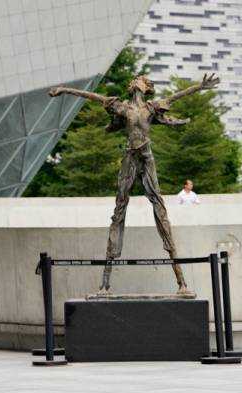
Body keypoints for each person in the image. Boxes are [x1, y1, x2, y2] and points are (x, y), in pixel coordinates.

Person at [49, 73, 220, 295]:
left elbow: (177, 96)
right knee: (119, 210)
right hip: (129, 157)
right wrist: (64, 89)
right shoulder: (122, 107)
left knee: (160, 210)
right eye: (135, 79)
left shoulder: (151, 108)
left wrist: (199, 87)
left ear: (145, 87)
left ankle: (182, 283)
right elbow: (91, 96)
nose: (135, 81)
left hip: (146, 157)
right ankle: (105, 285)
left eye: (140, 79)